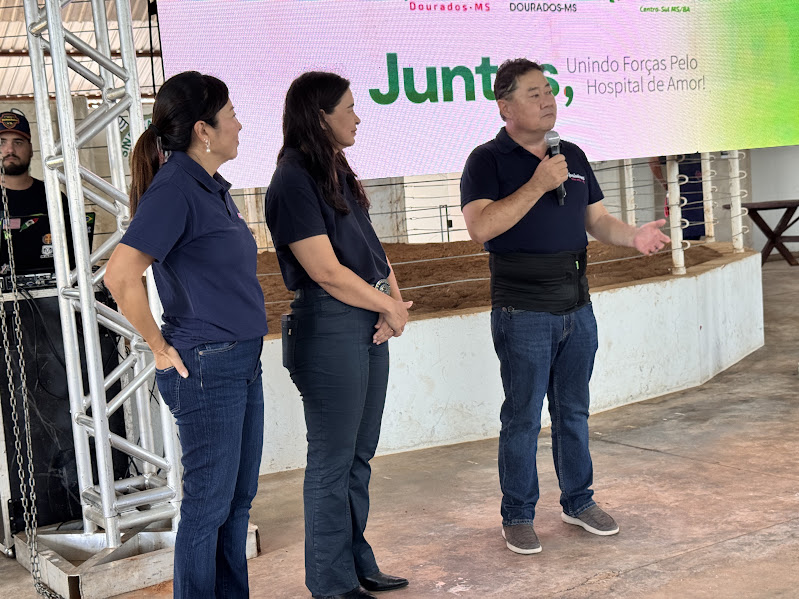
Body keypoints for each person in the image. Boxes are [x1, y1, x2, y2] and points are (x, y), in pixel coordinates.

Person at [460, 59, 670, 555]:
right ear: (505, 106)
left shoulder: (572, 153)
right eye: (533, 94)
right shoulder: (485, 161)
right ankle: (517, 513)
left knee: (573, 412)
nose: (548, 99)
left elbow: (597, 221)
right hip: (522, 310)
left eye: (549, 90)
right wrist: (536, 183)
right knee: (524, 417)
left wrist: (633, 235)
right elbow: (481, 228)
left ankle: (579, 501)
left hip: (577, 306)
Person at [104, 71, 268, 598]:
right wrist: (157, 345)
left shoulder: (209, 186)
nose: (239, 125)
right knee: (208, 508)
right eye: (232, 114)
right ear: (204, 129)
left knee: (236, 504)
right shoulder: (175, 188)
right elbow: (120, 275)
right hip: (208, 369)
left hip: (239, 362)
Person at [265, 72, 411, 599]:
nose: (357, 116)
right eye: (348, 107)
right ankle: (330, 582)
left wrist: (393, 304)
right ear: (319, 114)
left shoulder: (337, 172)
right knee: (332, 460)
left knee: (357, 455)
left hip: (365, 319)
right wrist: (387, 305)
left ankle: (354, 563)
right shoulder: (292, 179)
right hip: (328, 324)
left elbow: (373, 249)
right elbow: (324, 270)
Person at [0, 109, 74, 273]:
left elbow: (74, 255)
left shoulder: (53, 197)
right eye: (2, 142)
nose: (10, 150)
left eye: (18, 142)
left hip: (53, 294)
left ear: (31, 149)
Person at [649, 154, 706, 240]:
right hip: (682, 194)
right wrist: (664, 184)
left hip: (698, 193)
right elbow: (653, 161)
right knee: (684, 230)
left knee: (696, 230)